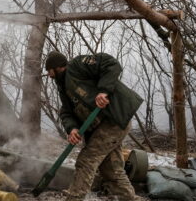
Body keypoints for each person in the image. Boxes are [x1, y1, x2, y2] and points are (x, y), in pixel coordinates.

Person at [45, 51, 143, 201]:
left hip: (113, 119)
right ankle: (130, 199)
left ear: (56, 67)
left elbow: (111, 63)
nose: (48, 75)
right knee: (110, 169)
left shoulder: (78, 65)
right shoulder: (63, 87)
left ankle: (74, 198)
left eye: (49, 70)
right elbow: (66, 112)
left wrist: (104, 91)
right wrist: (72, 129)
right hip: (100, 127)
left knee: (87, 159)